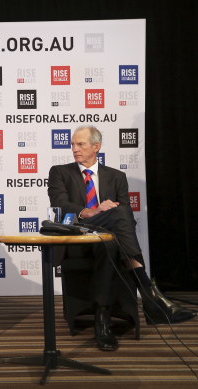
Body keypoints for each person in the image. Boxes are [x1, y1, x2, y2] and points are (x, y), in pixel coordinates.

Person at [48, 125, 195, 351]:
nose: (74, 149)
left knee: (114, 234)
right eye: (73, 144)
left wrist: (110, 212)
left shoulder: (116, 177)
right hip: (79, 236)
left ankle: (102, 319)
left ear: (96, 147)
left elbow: (125, 215)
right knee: (116, 219)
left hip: (108, 237)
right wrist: (95, 211)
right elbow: (60, 203)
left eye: (81, 144)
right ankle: (149, 294)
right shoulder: (60, 172)